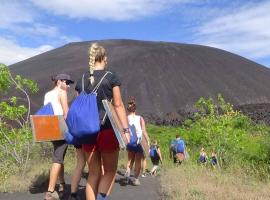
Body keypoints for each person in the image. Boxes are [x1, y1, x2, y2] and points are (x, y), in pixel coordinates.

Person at [75, 43, 130, 200]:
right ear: (104, 58)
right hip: (107, 130)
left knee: (93, 174)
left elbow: (79, 107)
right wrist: (126, 130)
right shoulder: (111, 77)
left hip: (87, 133)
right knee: (110, 171)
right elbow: (118, 105)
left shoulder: (82, 79)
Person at [44, 73, 74, 200]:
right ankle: (50, 191)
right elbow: (67, 113)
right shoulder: (61, 93)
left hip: (50, 128)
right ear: (59, 82)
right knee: (58, 158)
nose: (68, 85)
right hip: (60, 127)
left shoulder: (47, 94)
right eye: (66, 82)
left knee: (59, 155)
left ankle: (62, 184)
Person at [124, 97, 150, 186]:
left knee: (130, 159)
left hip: (130, 141)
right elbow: (144, 131)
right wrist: (148, 140)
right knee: (138, 161)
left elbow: (124, 130)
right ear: (135, 109)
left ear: (128, 109)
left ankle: (127, 171)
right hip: (139, 142)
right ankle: (135, 179)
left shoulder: (125, 118)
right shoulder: (140, 118)